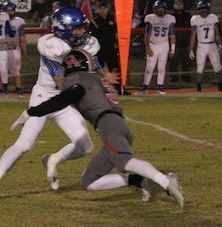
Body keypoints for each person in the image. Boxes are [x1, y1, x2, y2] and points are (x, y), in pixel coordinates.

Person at [10, 49, 185, 208]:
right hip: (114, 126)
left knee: (124, 162)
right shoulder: (95, 79)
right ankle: (138, 180)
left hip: (109, 125)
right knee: (89, 181)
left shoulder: (78, 80)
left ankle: (166, 181)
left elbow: (61, 100)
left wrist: (31, 112)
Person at [0, 7, 100, 202]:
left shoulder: (88, 44)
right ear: (64, 30)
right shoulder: (51, 46)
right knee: (24, 144)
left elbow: (95, 69)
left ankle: (53, 159)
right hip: (44, 97)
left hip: (64, 100)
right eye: (77, 28)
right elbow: (60, 82)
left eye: (82, 27)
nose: (82, 32)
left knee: (85, 146)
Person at [139, 0, 176, 94]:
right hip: (153, 44)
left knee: (162, 67)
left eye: (162, 8)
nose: (160, 10)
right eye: (158, 8)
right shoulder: (151, 18)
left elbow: (172, 35)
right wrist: (148, 48)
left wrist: (172, 49)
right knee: (150, 67)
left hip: (164, 45)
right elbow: (147, 35)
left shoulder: (169, 19)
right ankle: (145, 87)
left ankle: (160, 88)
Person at [189, 1, 222, 92]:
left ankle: (221, 86)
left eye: (205, 9)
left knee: (217, 65)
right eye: (202, 9)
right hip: (201, 45)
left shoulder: (213, 18)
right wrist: (191, 49)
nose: (204, 11)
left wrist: (219, 43)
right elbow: (193, 35)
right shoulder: (195, 19)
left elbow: (216, 32)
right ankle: (198, 88)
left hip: (212, 45)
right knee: (200, 67)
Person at [3, 2, 27, 97]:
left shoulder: (18, 22)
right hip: (2, 49)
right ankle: (1, 91)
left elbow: (22, 38)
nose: (9, 13)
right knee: (1, 70)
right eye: (7, 11)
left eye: (11, 10)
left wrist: (24, 52)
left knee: (15, 71)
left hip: (14, 48)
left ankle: (18, 90)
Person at [169, 0, 192, 82]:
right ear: (174, 5)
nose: (179, 6)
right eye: (177, 4)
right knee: (173, 62)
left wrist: (190, 43)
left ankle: (186, 77)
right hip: (175, 44)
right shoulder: (171, 17)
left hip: (185, 43)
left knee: (186, 62)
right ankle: (173, 77)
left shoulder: (187, 16)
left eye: (180, 4)